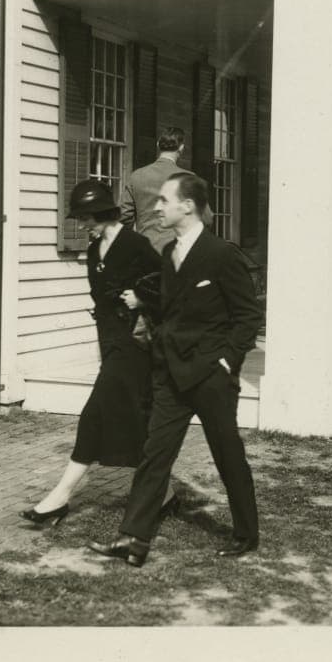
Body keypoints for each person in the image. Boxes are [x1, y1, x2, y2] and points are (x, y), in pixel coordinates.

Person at [87, 173, 262, 567]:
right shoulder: (168, 255)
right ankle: (134, 539)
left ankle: (246, 534)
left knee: (227, 453)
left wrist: (227, 361)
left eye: (164, 200)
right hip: (171, 375)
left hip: (210, 377)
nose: (156, 207)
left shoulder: (222, 254)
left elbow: (249, 316)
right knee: (154, 455)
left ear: (187, 205)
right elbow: (170, 308)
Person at [21, 179, 175, 525]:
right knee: (133, 420)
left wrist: (142, 297)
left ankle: (59, 498)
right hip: (111, 343)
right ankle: (165, 495)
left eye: (87, 217)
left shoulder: (135, 244)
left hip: (135, 346)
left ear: (102, 212)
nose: (83, 223)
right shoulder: (93, 251)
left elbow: (170, 287)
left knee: (94, 415)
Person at [120, 126, 211, 253]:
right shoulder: (188, 178)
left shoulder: (136, 176)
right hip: (179, 252)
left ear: (158, 145)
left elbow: (124, 217)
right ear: (181, 148)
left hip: (146, 252)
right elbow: (207, 218)